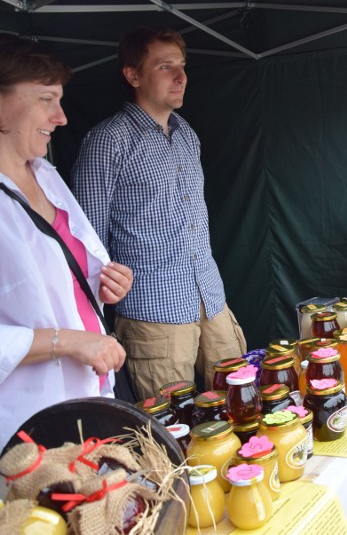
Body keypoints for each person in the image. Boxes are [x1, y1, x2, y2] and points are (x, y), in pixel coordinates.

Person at [72, 27, 247, 400]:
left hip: (210, 297)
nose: (181, 77)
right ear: (133, 75)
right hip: (154, 311)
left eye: (182, 66)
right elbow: (87, 241)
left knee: (241, 401)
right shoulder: (108, 141)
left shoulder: (187, 134)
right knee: (172, 425)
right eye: (165, 67)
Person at [0, 35, 132, 449]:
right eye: (46, 99)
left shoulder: (45, 174)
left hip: (89, 398)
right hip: (29, 424)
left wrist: (105, 285)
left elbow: (61, 282)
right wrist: (70, 342)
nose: (61, 117)